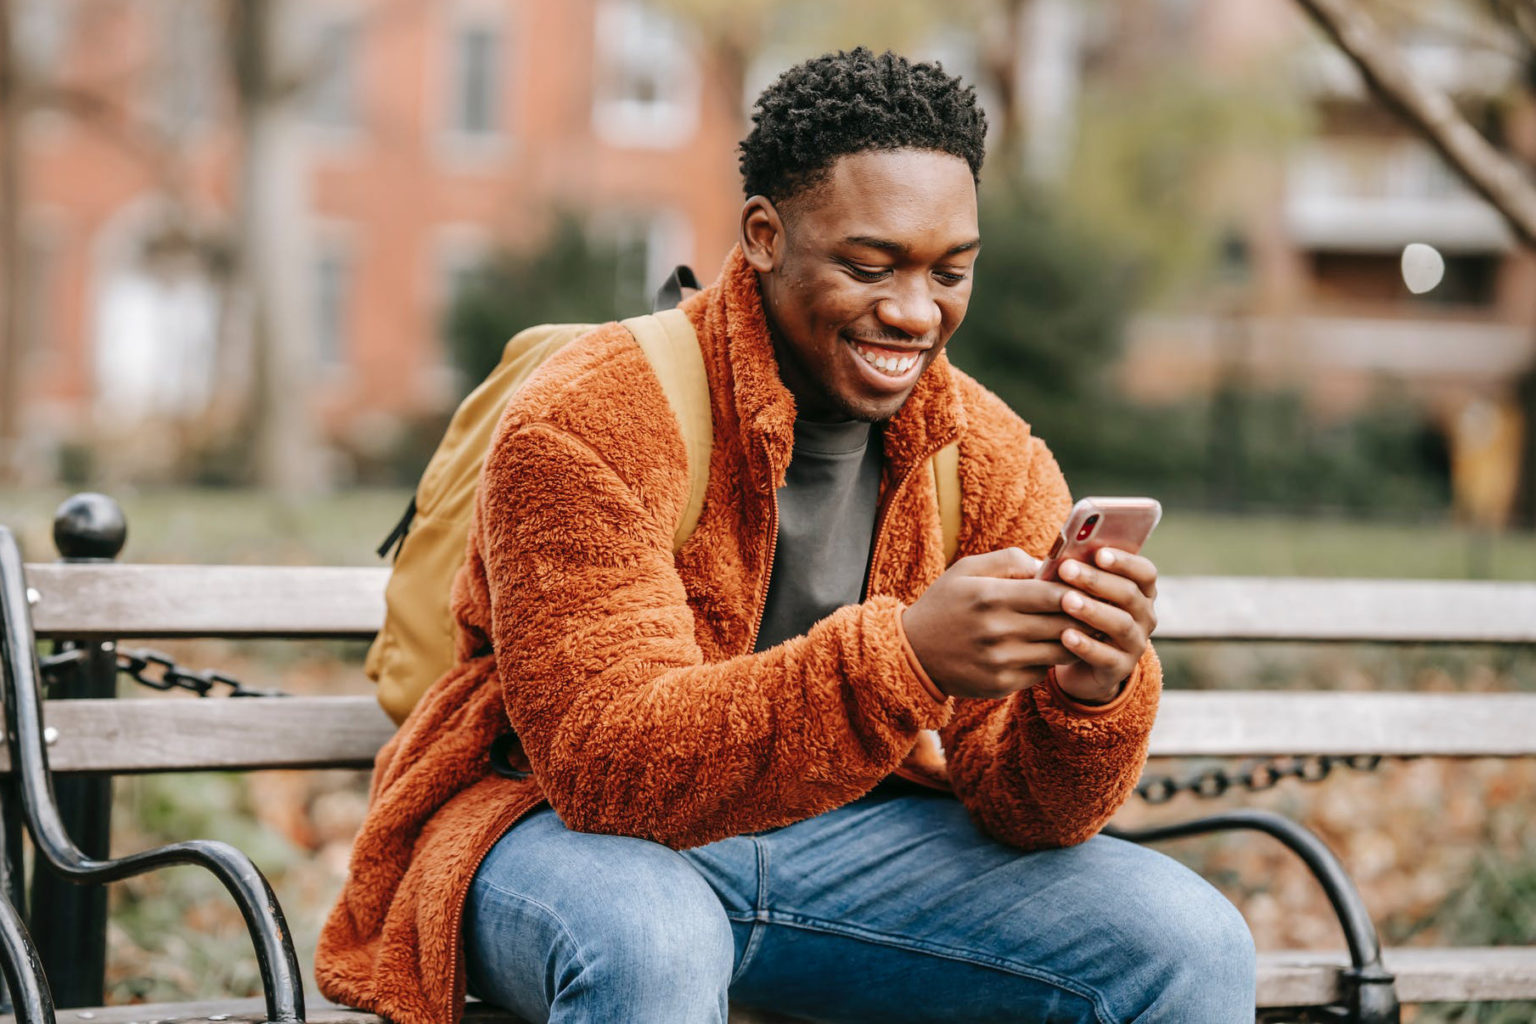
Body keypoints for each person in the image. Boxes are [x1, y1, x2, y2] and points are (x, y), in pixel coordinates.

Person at [317, 47, 1255, 1024]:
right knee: (654, 939)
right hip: (550, 835)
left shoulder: (987, 455)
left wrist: (1086, 691)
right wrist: (902, 658)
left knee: (1185, 943)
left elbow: (1031, 810)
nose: (914, 310)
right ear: (764, 235)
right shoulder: (591, 414)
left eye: (951, 270)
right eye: (869, 263)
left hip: (841, 851)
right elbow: (604, 766)